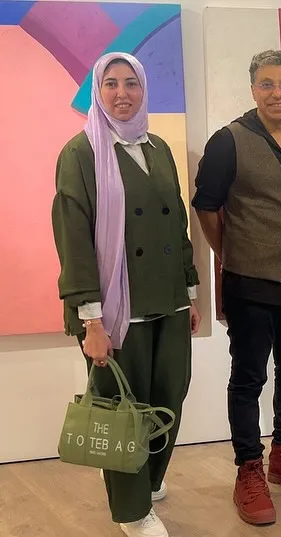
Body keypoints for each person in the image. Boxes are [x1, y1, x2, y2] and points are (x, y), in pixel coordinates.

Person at [51, 52, 201, 537]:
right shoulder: (81, 153)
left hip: (168, 299)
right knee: (123, 409)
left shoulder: (158, 147)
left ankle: (147, 479)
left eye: (131, 83)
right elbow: (73, 238)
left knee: (169, 396)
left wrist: (190, 290)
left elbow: (177, 222)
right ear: (98, 92)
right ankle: (133, 512)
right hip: (115, 310)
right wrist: (91, 320)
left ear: (143, 90)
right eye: (111, 84)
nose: (122, 93)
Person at [192, 50, 281, 527]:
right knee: (249, 378)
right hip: (250, 282)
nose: (277, 93)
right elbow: (206, 206)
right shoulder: (227, 141)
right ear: (253, 89)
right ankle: (249, 468)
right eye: (267, 84)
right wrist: (229, 254)